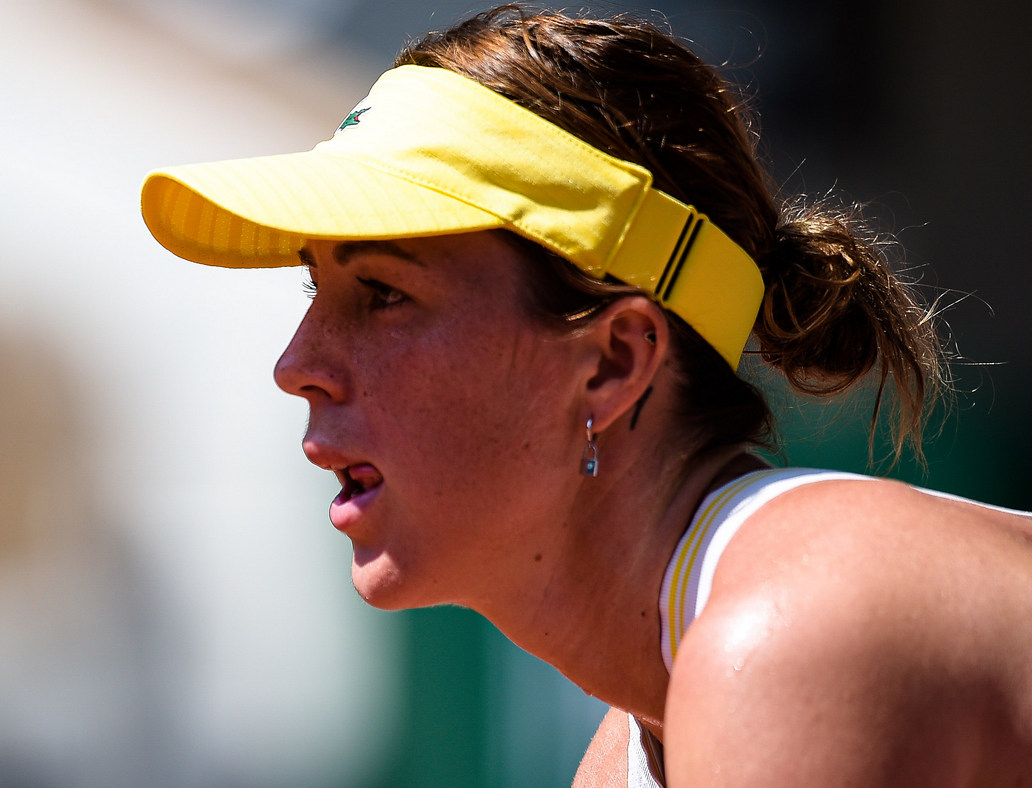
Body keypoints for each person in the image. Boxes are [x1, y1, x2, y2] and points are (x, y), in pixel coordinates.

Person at [139, 5, 1032, 785]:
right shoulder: (643, 732)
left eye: (383, 293)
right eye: (315, 289)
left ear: (612, 362)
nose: (297, 364)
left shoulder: (791, 643)